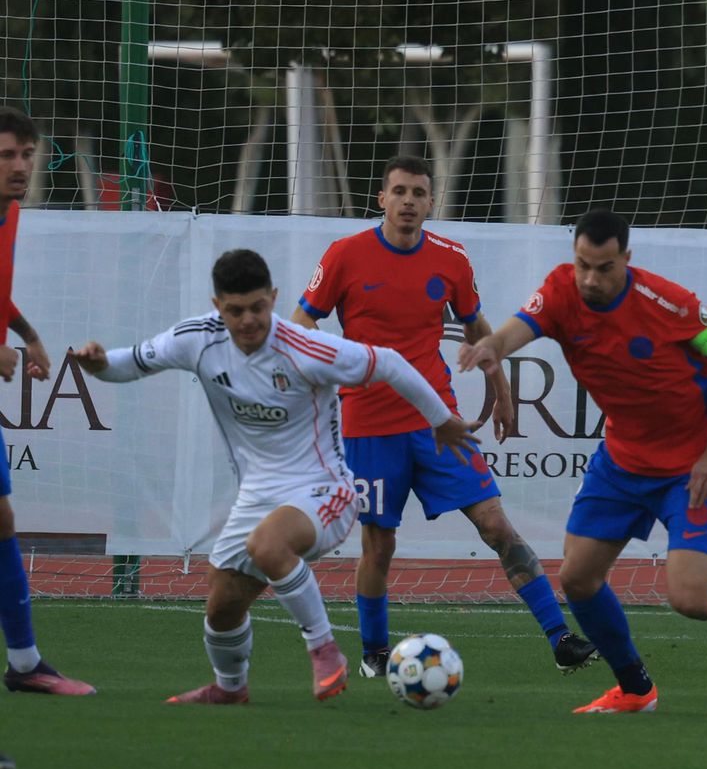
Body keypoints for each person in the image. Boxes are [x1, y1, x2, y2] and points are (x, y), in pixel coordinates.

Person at [73, 249, 480, 703]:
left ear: (274, 298)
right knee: (222, 605)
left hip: (326, 491)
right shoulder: (197, 340)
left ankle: (326, 651)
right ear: (217, 306)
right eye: (234, 311)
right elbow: (131, 361)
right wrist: (98, 364)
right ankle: (231, 689)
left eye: (257, 308)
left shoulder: (305, 348)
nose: (248, 321)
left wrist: (440, 419)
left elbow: (389, 364)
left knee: (267, 545)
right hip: (256, 498)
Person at [459, 209, 707, 714]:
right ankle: (636, 688)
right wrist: (491, 346)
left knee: (690, 599)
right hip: (621, 461)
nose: (591, 279)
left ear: (627, 259)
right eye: (582, 266)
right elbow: (518, 329)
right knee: (577, 578)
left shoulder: (669, 304)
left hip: (691, 465)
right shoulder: (560, 291)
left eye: (604, 267)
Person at [291, 155, 596, 678]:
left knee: (496, 524)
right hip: (369, 425)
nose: (409, 201)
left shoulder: (450, 259)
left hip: (439, 421)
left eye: (419, 193)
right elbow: (301, 323)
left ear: (431, 202)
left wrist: (500, 391)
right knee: (379, 542)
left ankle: (561, 637)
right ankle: (374, 652)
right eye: (399, 191)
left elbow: (478, 328)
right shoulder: (344, 255)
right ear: (381, 199)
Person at [0, 106, 95, 696]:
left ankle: (26, 662)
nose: (20, 166)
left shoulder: (9, 213)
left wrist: (27, 334)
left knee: (3, 521)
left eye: (27, 154)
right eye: (7, 154)